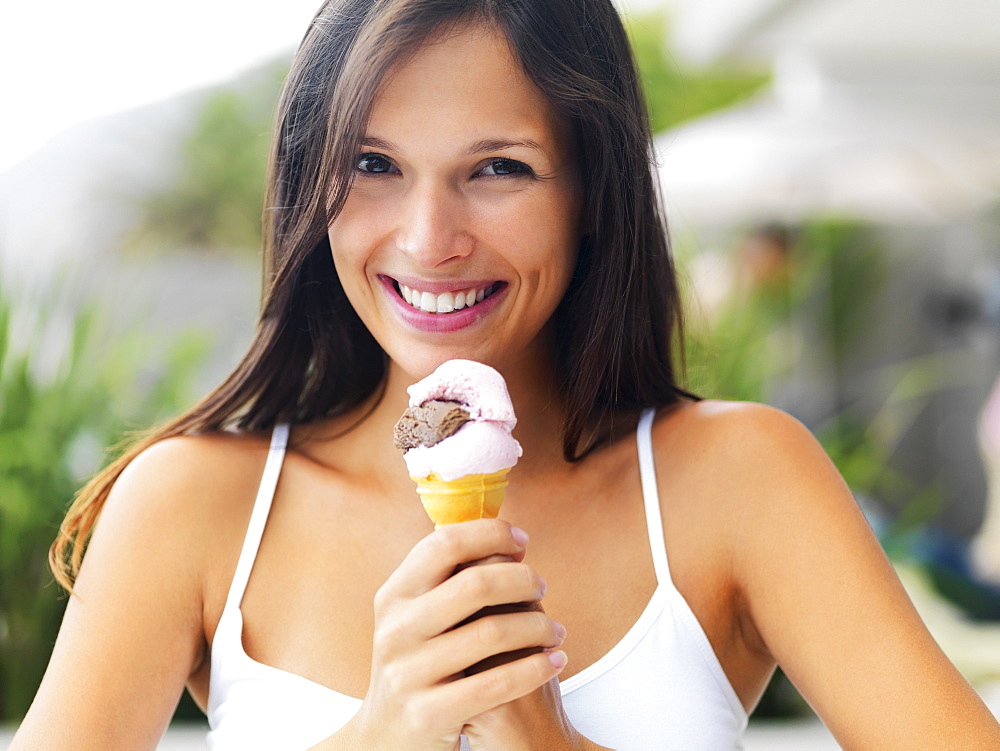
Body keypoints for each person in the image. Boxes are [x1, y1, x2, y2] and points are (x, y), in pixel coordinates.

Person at [12, 0, 1000, 748]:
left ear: (591, 193)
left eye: (499, 169)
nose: (429, 238)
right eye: (371, 163)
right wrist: (380, 732)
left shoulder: (736, 478)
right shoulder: (192, 505)